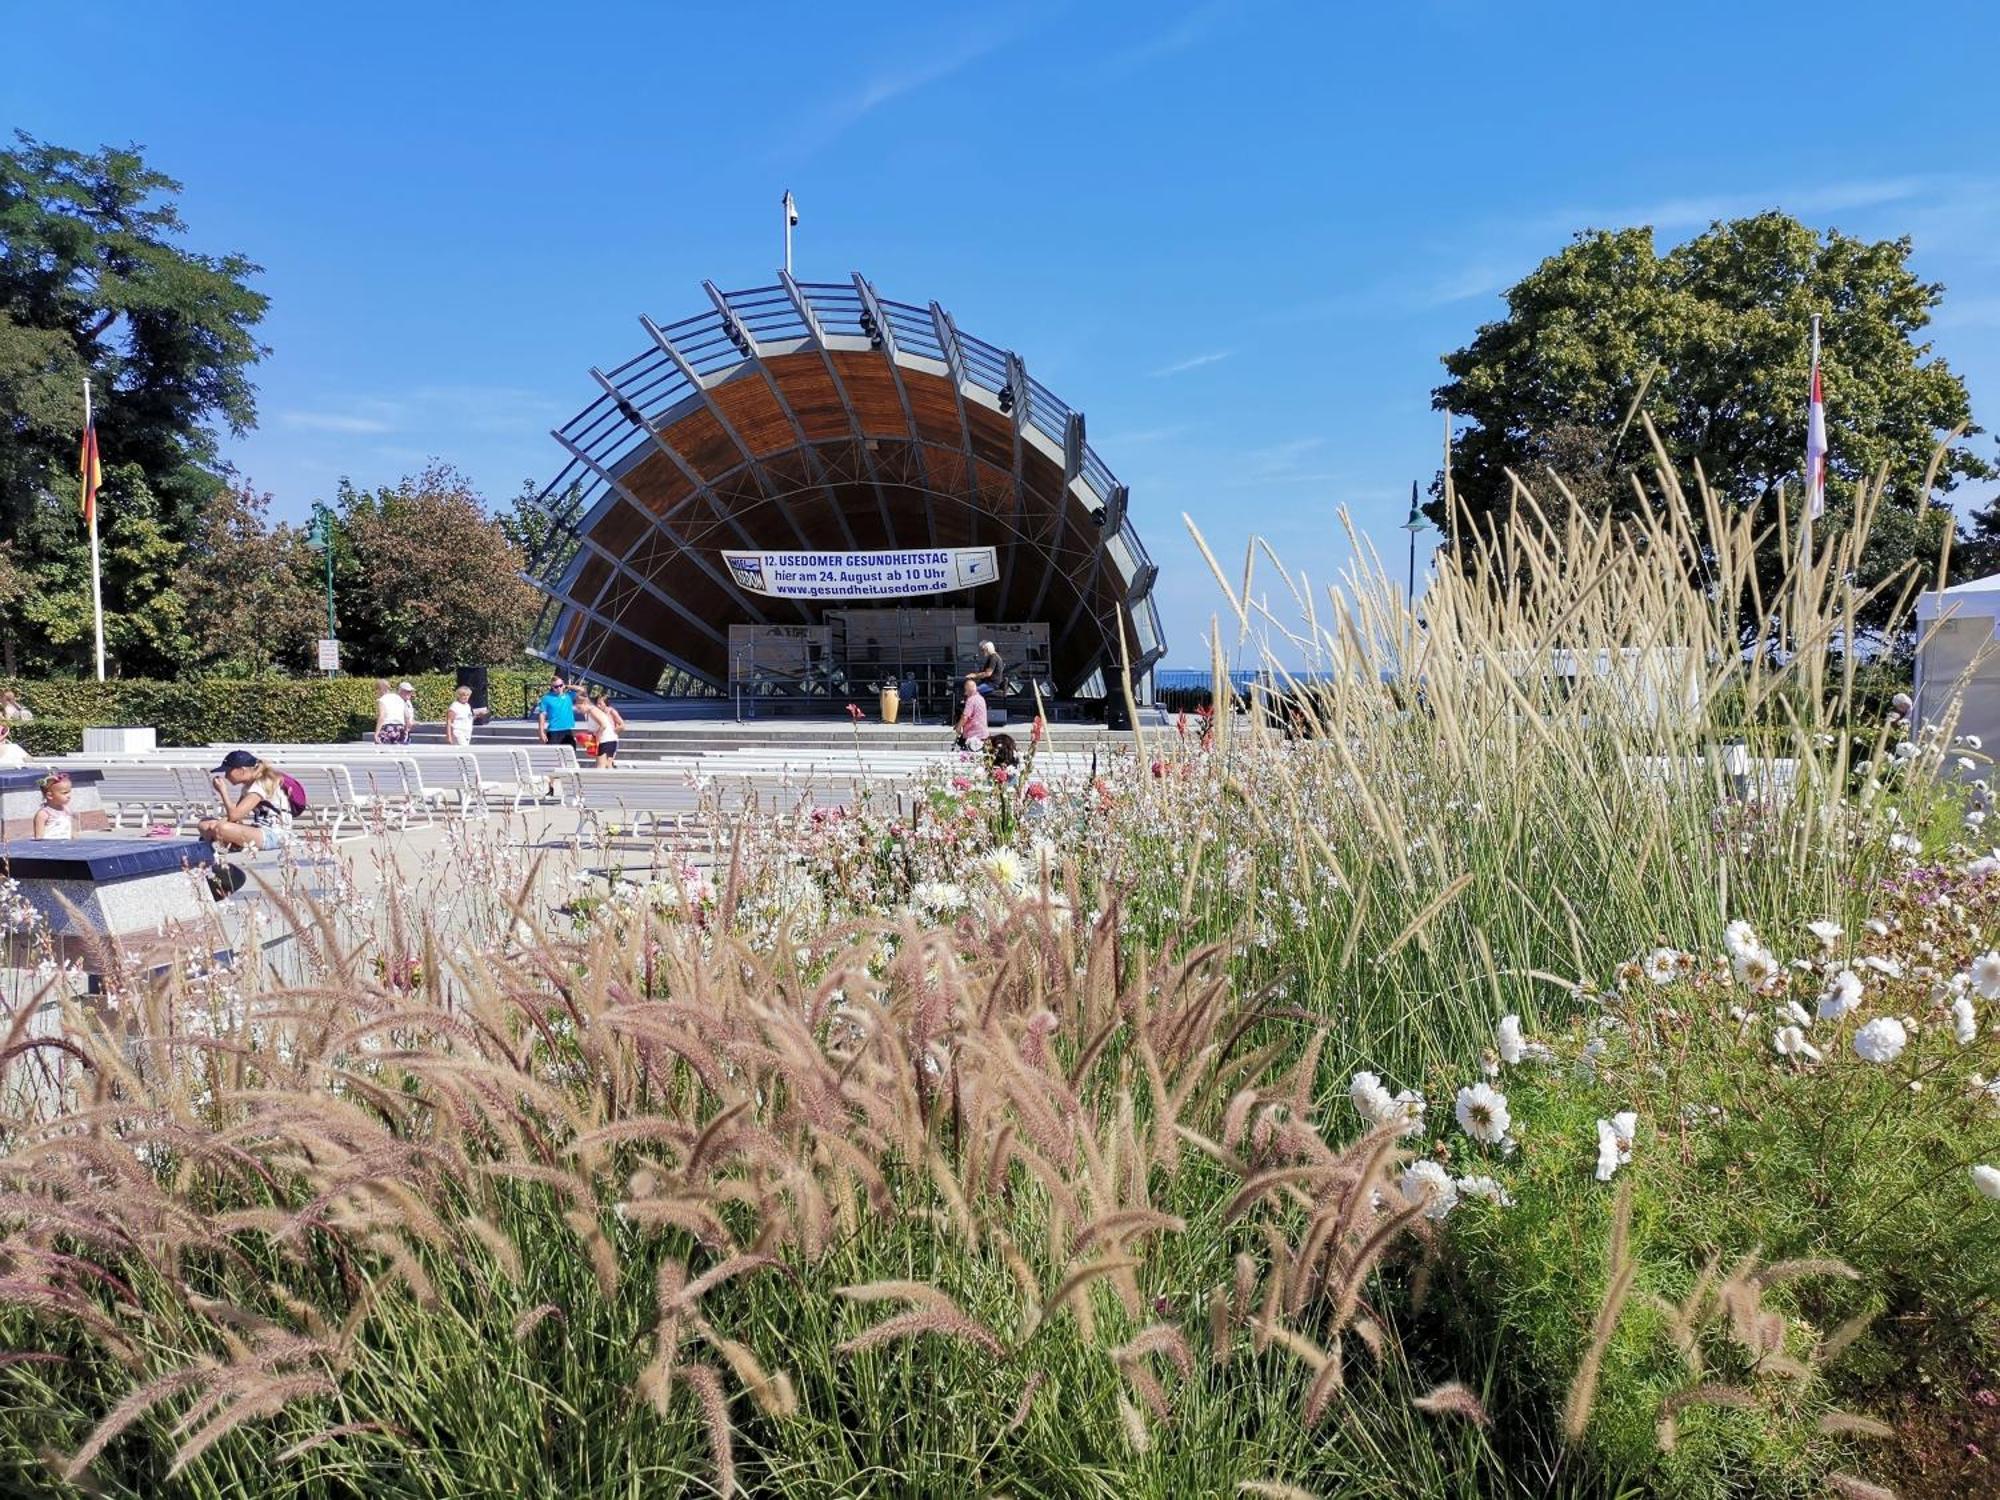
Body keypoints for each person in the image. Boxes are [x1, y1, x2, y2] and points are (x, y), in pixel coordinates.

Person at [197, 750, 294, 854]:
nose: (226, 776)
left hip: (275, 835)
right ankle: (228, 843)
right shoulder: (249, 786)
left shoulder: (260, 785)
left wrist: (223, 792)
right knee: (204, 824)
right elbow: (234, 815)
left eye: (228, 771)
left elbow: (235, 816)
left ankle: (224, 844)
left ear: (242, 770)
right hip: (259, 829)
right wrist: (214, 825)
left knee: (221, 828)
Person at [536, 675, 577, 747]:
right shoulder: (546, 698)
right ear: (552, 687)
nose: (559, 688)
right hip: (553, 731)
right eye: (556, 687)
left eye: (560, 685)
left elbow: (582, 690)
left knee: (570, 756)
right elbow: (542, 715)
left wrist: (568, 686)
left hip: (567, 730)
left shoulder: (569, 696)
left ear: (563, 685)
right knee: (553, 757)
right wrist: (541, 732)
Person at [588, 690, 625, 768]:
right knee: (606, 764)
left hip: (610, 739)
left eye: (600, 703)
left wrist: (613, 731)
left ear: (606, 703)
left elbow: (622, 725)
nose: (598, 705)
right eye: (597, 703)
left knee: (606, 764)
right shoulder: (596, 712)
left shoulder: (611, 711)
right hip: (601, 739)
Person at [32, 772, 74, 839]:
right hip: (50, 847)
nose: (69, 796)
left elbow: (71, 832)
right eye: (65, 793)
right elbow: (39, 837)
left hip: (66, 847)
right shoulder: (43, 814)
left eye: (69, 792)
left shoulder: (67, 810)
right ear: (50, 795)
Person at [956, 674, 989, 751]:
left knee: (968, 756)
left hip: (973, 735)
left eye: (965, 690)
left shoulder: (971, 700)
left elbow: (965, 716)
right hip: (983, 734)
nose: (965, 693)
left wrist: (958, 727)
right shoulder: (981, 698)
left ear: (968, 689)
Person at [374, 679, 411, 745]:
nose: (376, 692)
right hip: (400, 730)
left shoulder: (382, 700)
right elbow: (407, 716)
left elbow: (382, 716)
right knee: (399, 753)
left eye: (376, 690)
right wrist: (406, 730)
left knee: (383, 753)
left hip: (387, 729)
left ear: (380, 689)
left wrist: (376, 734)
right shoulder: (400, 699)